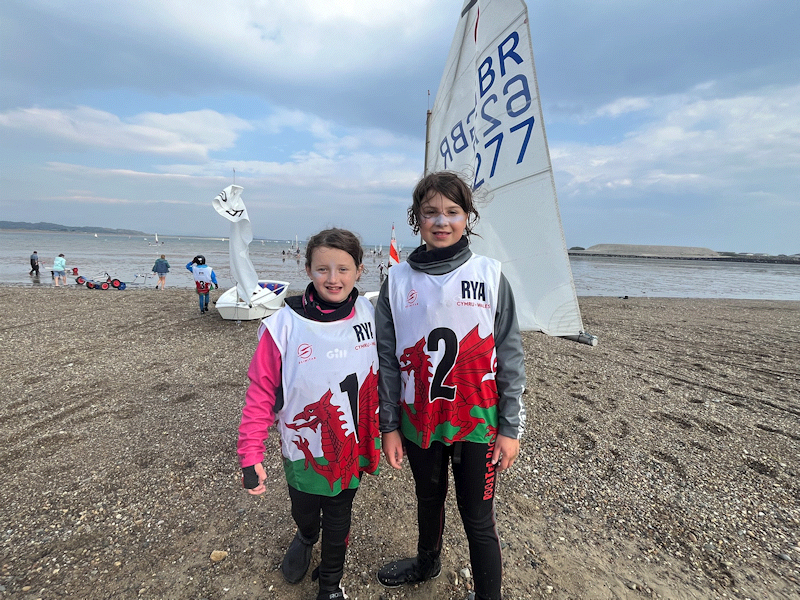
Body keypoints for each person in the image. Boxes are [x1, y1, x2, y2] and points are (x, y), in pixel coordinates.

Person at [375, 171, 526, 600]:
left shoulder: (491, 275)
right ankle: (427, 562)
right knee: (429, 498)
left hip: (479, 421)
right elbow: (387, 360)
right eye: (430, 213)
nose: (442, 221)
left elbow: (510, 356)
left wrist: (510, 429)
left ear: (467, 217)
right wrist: (388, 426)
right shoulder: (397, 280)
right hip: (420, 419)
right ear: (417, 219)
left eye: (452, 212)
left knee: (478, 518)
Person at [237, 228, 380, 600]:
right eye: (323, 269)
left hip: (350, 443)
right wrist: (250, 455)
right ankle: (304, 535)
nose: (334, 279)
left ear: (360, 271)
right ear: (307, 269)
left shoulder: (370, 313)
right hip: (301, 449)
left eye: (344, 269)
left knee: (339, 512)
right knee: (305, 508)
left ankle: (330, 585)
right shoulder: (282, 326)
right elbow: (260, 395)